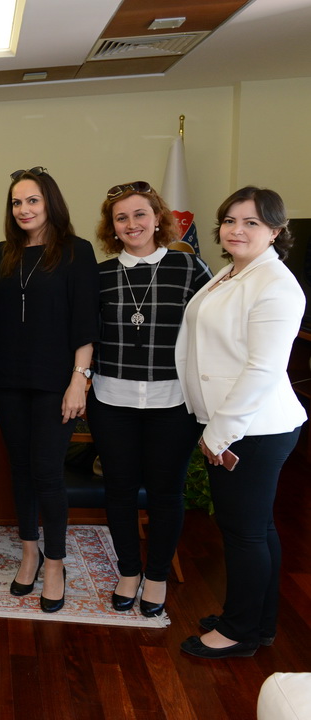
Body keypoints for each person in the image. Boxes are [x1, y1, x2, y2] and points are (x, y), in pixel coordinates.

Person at [176, 187, 306, 658]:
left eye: (252, 222)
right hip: (237, 423)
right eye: (230, 220)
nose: (237, 230)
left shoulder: (276, 284)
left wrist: (218, 434)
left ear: (275, 230)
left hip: (253, 428)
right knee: (257, 528)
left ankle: (238, 632)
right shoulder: (233, 271)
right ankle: (259, 622)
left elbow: (262, 369)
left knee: (244, 533)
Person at [88, 181, 211, 619]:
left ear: (158, 218)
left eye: (140, 214)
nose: (132, 223)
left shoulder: (189, 267)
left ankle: (156, 576)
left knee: (165, 492)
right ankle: (128, 571)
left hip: (173, 403)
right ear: (112, 227)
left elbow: (211, 329)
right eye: (121, 217)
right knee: (119, 490)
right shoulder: (100, 275)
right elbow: (85, 334)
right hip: (112, 400)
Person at [0, 167, 99, 613]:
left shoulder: (76, 251)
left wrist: (79, 380)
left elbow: (85, 321)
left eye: (32, 200)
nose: (23, 209)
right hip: (7, 376)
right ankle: (29, 552)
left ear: (50, 203)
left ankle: (55, 563)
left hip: (56, 381)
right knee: (21, 468)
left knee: (47, 471)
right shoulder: (1, 253)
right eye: (16, 202)